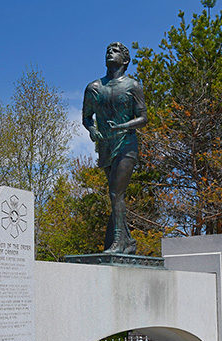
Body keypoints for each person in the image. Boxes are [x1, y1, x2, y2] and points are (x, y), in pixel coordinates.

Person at [82, 42, 147, 254]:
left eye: (116, 51)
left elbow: (143, 118)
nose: (111, 53)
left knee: (115, 192)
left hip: (126, 144)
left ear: (125, 60)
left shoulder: (133, 86)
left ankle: (119, 242)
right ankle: (128, 242)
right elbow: (86, 118)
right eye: (108, 51)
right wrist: (92, 131)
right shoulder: (94, 88)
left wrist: (122, 126)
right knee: (114, 195)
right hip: (106, 147)